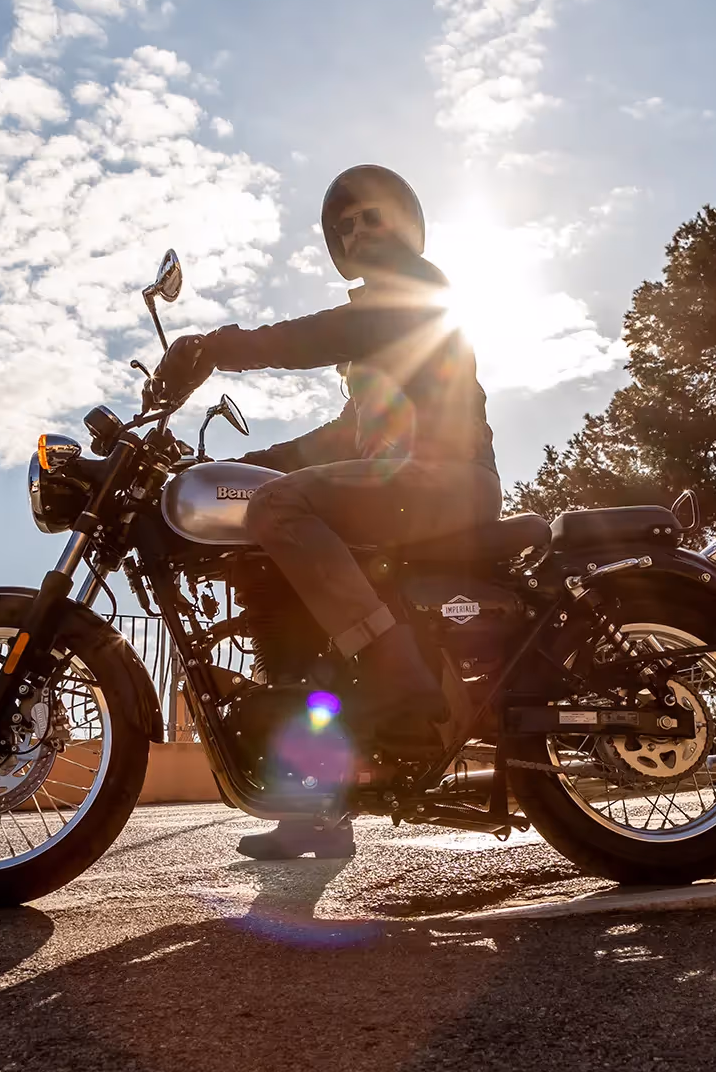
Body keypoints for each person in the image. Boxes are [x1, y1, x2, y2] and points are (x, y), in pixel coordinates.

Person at [153, 165, 501, 861]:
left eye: (369, 217)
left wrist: (216, 346)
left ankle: (396, 663)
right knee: (276, 548)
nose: (355, 230)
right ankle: (318, 805)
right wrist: (227, 468)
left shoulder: (417, 296)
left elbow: (309, 338)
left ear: (403, 225)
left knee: (279, 506)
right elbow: (334, 442)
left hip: (449, 482)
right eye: (344, 225)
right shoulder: (375, 350)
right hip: (403, 484)